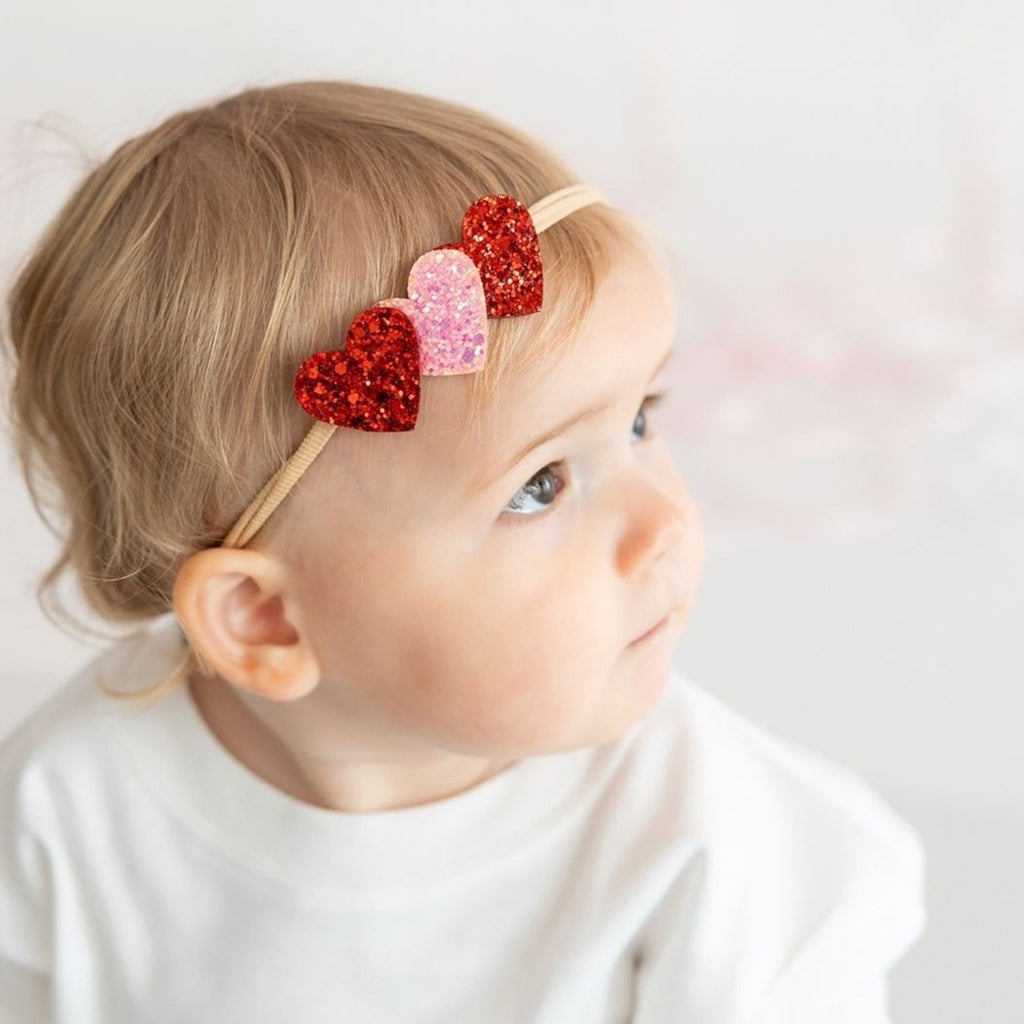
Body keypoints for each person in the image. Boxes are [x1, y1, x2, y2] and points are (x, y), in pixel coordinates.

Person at [0, 80, 925, 1023]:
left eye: (643, 417)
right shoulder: (65, 807)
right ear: (266, 618)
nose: (666, 526)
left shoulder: (732, 856)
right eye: (540, 484)